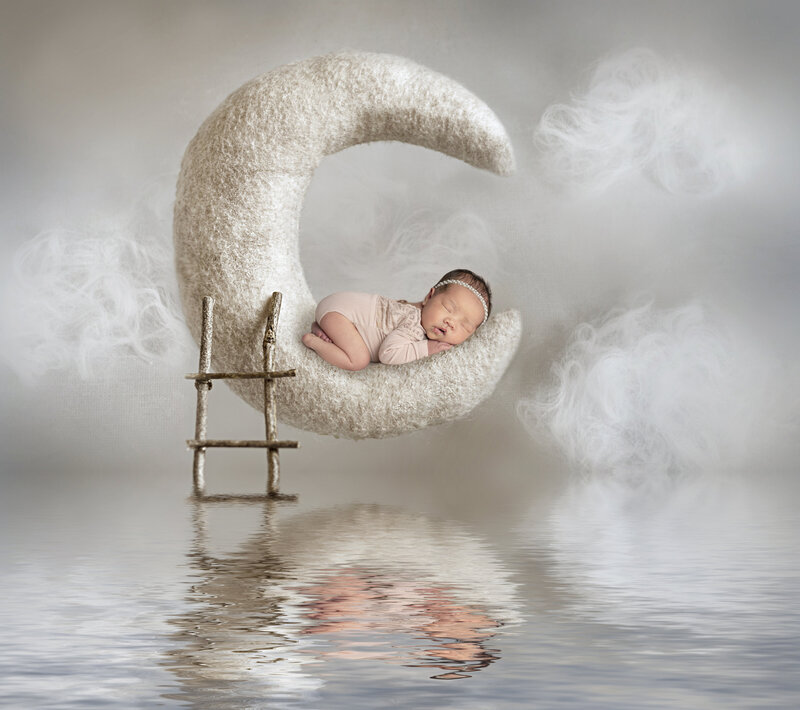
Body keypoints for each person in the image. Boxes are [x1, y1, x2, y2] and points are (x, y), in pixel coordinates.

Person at [301, 269, 491, 370]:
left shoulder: (416, 314)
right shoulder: (413, 324)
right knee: (358, 360)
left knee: (357, 344)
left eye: (464, 326)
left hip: (338, 309)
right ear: (429, 297)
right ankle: (313, 341)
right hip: (340, 312)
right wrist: (426, 348)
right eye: (448, 308)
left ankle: (326, 330)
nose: (451, 322)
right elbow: (388, 353)